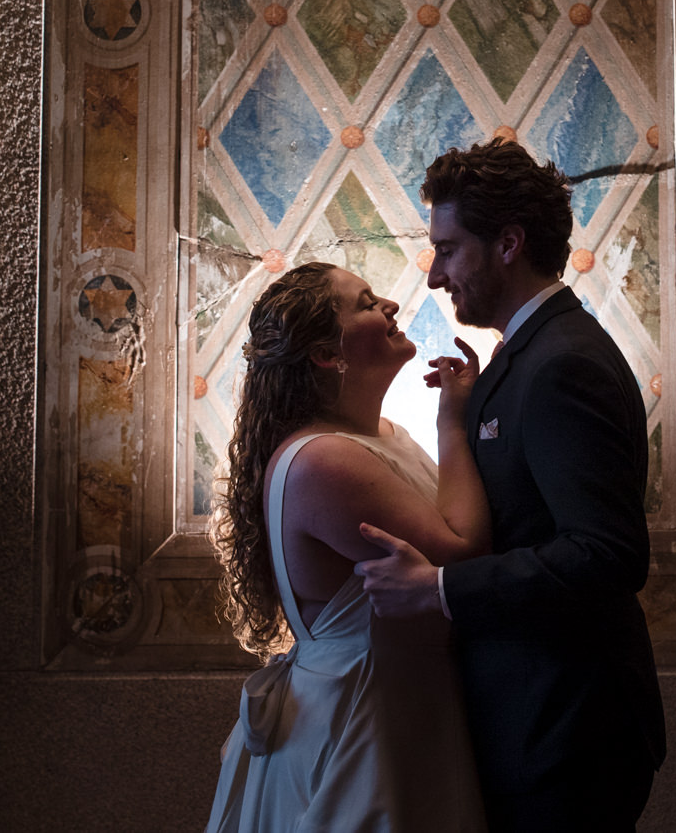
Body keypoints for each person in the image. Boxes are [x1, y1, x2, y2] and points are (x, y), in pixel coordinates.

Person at [355, 140, 666, 833]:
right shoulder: (525, 354)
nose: (435, 275)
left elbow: (608, 553)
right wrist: (462, 413)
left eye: (449, 248)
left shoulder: (563, 364)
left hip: (567, 734)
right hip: (536, 724)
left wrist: (435, 589)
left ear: (509, 243)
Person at [206, 261, 492, 833]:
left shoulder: (384, 437)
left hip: (407, 705)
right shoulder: (323, 461)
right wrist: (455, 424)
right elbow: (462, 552)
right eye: (364, 303)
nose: (388, 303)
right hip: (360, 720)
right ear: (325, 354)